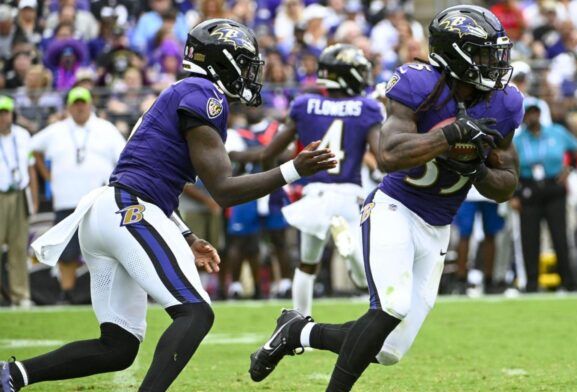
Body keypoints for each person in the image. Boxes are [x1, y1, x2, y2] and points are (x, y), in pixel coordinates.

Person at [1, 19, 335, 391]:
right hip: (129, 210)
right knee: (196, 312)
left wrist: (187, 235)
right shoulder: (204, 94)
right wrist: (293, 169)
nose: (250, 72)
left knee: (118, 346)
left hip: (110, 212)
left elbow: (153, 176)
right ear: (222, 61)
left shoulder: (181, 93)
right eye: (244, 62)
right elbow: (223, 189)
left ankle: (11, 376)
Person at [249, 6, 522, 390]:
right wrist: (448, 137)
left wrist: (475, 169)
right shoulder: (420, 85)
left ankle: (297, 332)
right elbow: (390, 155)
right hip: (395, 208)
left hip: (438, 226)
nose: (494, 63)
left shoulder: (504, 102)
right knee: (390, 307)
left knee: (388, 350)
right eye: (484, 54)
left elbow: (508, 182)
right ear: (456, 53)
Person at [233, 44, 383, 316]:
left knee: (306, 265)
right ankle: (351, 254)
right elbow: (382, 156)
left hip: (315, 195)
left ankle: (299, 320)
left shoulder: (305, 104)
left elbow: (270, 153)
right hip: (349, 194)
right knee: (363, 277)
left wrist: (240, 157)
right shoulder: (366, 107)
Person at [31, 87, 125, 304]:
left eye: (83, 102)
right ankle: (67, 293)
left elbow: (123, 157)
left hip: (98, 201)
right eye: (75, 103)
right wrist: (46, 175)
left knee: (106, 249)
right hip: (66, 199)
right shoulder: (56, 129)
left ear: (90, 104)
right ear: (69, 107)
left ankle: (107, 295)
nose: (80, 107)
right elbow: (32, 147)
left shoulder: (106, 128)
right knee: (66, 252)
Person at [224, 107, 294, 300]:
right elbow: (234, 155)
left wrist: (256, 153)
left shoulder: (277, 128)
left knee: (279, 238)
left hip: (275, 187)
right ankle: (236, 286)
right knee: (240, 240)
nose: (252, 109)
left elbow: (289, 154)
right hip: (248, 187)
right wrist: (270, 151)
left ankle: (286, 284)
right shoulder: (235, 132)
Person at [512, 99, 577, 292]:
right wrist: (514, 194)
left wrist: (569, 169)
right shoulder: (518, 140)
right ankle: (532, 282)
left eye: (536, 112)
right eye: (529, 113)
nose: (533, 116)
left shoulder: (556, 132)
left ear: (540, 114)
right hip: (529, 188)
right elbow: (511, 166)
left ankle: (568, 281)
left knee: (560, 236)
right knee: (530, 238)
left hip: (554, 187)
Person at [0, 96, 37, 308]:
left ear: (12, 114)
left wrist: (33, 197)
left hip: (20, 194)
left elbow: (30, 167)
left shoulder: (23, 135)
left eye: (5, 112)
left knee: (18, 248)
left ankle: (20, 295)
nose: (2, 117)